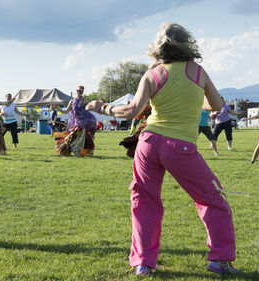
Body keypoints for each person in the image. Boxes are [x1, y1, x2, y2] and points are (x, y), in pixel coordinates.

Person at [87, 23, 238, 276]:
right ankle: (220, 259)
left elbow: (132, 110)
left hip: (147, 144)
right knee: (213, 200)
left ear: (158, 48)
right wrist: (191, 100)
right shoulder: (198, 72)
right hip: (180, 147)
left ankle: (143, 263)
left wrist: (102, 108)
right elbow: (215, 105)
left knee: (144, 201)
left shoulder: (152, 74)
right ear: (187, 44)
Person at [55, 85, 96, 156]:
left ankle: (79, 150)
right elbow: (66, 111)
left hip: (84, 122)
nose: (79, 92)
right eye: (78, 91)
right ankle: (71, 148)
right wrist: (57, 108)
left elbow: (92, 107)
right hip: (76, 123)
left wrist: (88, 105)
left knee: (83, 137)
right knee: (72, 137)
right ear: (76, 91)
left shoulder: (84, 100)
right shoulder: (72, 101)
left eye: (81, 91)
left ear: (83, 92)